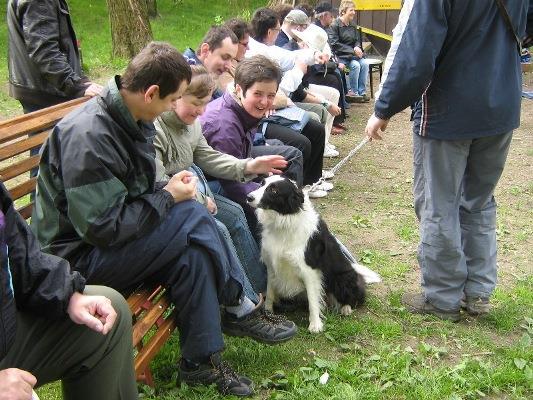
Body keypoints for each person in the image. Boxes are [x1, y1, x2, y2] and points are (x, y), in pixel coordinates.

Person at [32, 42, 296, 397]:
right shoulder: (90, 138)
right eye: (171, 101)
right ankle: (239, 306)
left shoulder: (127, 117)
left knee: (193, 253)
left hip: (109, 241)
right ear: (151, 91)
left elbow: (138, 187)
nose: (173, 108)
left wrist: (167, 187)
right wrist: (168, 195)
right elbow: (102, 228)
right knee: (189, 213)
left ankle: (200, 363)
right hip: (76, 260)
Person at [365, 0, 532, 321]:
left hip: (448, 109)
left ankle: (443, 298)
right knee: (479, 202)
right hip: (501, 103)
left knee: (438, 203)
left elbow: (416, 56)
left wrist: (384, 108)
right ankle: (478, 293)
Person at [154, 65, 288, 293]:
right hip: (168, 203)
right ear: (175, 98)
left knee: (234, 214)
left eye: (205, 103)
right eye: (195, 103)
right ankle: (248, 300)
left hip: (191, 191)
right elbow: (158, 183)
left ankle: (263, 287)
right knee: (220, 228)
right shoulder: (157, 129)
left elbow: (207, 156)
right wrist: (199, 199)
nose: (201, 111)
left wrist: (248, 166)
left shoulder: (191, 124)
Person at [0, 183, 138, 400]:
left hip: (6, 331)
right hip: (81, 250)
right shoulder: (82, 149)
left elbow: (21, 254)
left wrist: (67, 295)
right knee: (188, 225)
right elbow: (101, 222)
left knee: (107, 316)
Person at [7, 0, 102, 113]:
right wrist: (76, 85)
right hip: (47, 90)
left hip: (41, 86)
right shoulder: (39, 2)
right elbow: (44, 53)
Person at [329, 0, 370, 102]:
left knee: (365, 63)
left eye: (354, 10)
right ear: (343, 11)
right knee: (355, 65)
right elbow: (334, 44)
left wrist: (357, 47)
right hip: (341, 56)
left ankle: (362, 92)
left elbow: (356, 40)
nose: (354, 12)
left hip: (352, 55)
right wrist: (352, 50)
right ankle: (352, 92)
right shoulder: (335, 25)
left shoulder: (352, 24)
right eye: (351, 10)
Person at [183, 25, 239, 98]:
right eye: (225, 57)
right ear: (205, 50)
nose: (228, 66)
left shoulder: (207, 79)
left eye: (231, 60)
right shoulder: (183, 79)